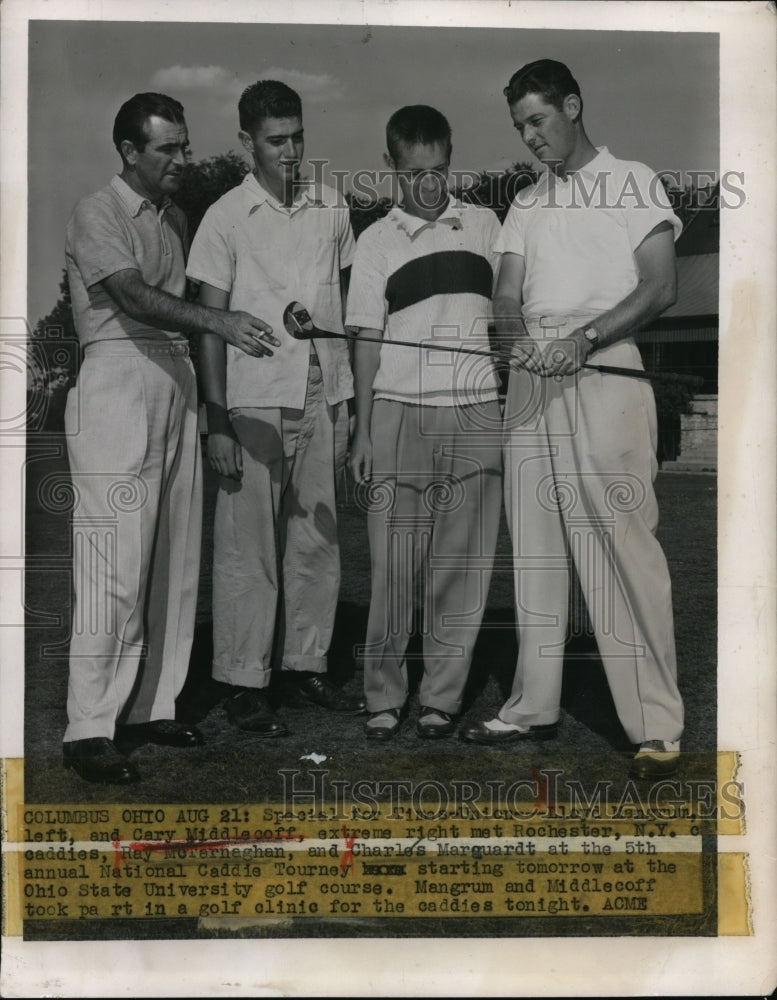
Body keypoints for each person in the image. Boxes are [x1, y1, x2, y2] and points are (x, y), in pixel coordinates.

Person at [460, 60, 685, 780]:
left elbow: (659, 287)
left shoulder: (633, 179)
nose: (530, 138)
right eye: (520, 127)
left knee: (622, 546)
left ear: (572, 106)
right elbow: (504, 295)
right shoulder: (524, 204)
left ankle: (655, 727)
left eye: (538, 120)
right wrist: (517, 340)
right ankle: (532, 705)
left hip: (605, 365)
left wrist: (580, 341)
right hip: (532, 377)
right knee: (534, 550)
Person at [63, 92, 279, 784]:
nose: (181, 160)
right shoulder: (97, 211)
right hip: (117, 382)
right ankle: (89, 727)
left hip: (175, 380)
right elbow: (130, 296)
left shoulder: (173, 217)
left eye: (185, 147)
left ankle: (152, 706)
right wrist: (216, 322)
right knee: (114, 561)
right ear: (129, 152)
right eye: (167, 150)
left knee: (175, 561)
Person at [186, 80, 364, 738]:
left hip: (324, 392)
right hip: (253, 401)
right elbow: (207, 324)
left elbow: (345, 305)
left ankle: (305, 663)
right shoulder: (225, 217)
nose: (290, 152)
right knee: (247, 549)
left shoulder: (332, 206)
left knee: (316, 540)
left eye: (297, 138)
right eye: (275, 141)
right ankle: (241, 677)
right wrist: (216, 418)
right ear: (246, 144)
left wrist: (347, 401)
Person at [347, 105, 503, 740]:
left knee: (460, 567)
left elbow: (513, 318)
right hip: (398, 414)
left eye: (440, 170)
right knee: (394, 566)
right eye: (415, 174)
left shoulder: (489, 225)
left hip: (475, 413)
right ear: (390, 167)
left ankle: (441, 695)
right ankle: (383, 695)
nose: (431, 186)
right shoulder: (375, 241)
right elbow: (363, 339)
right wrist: (361, 429)